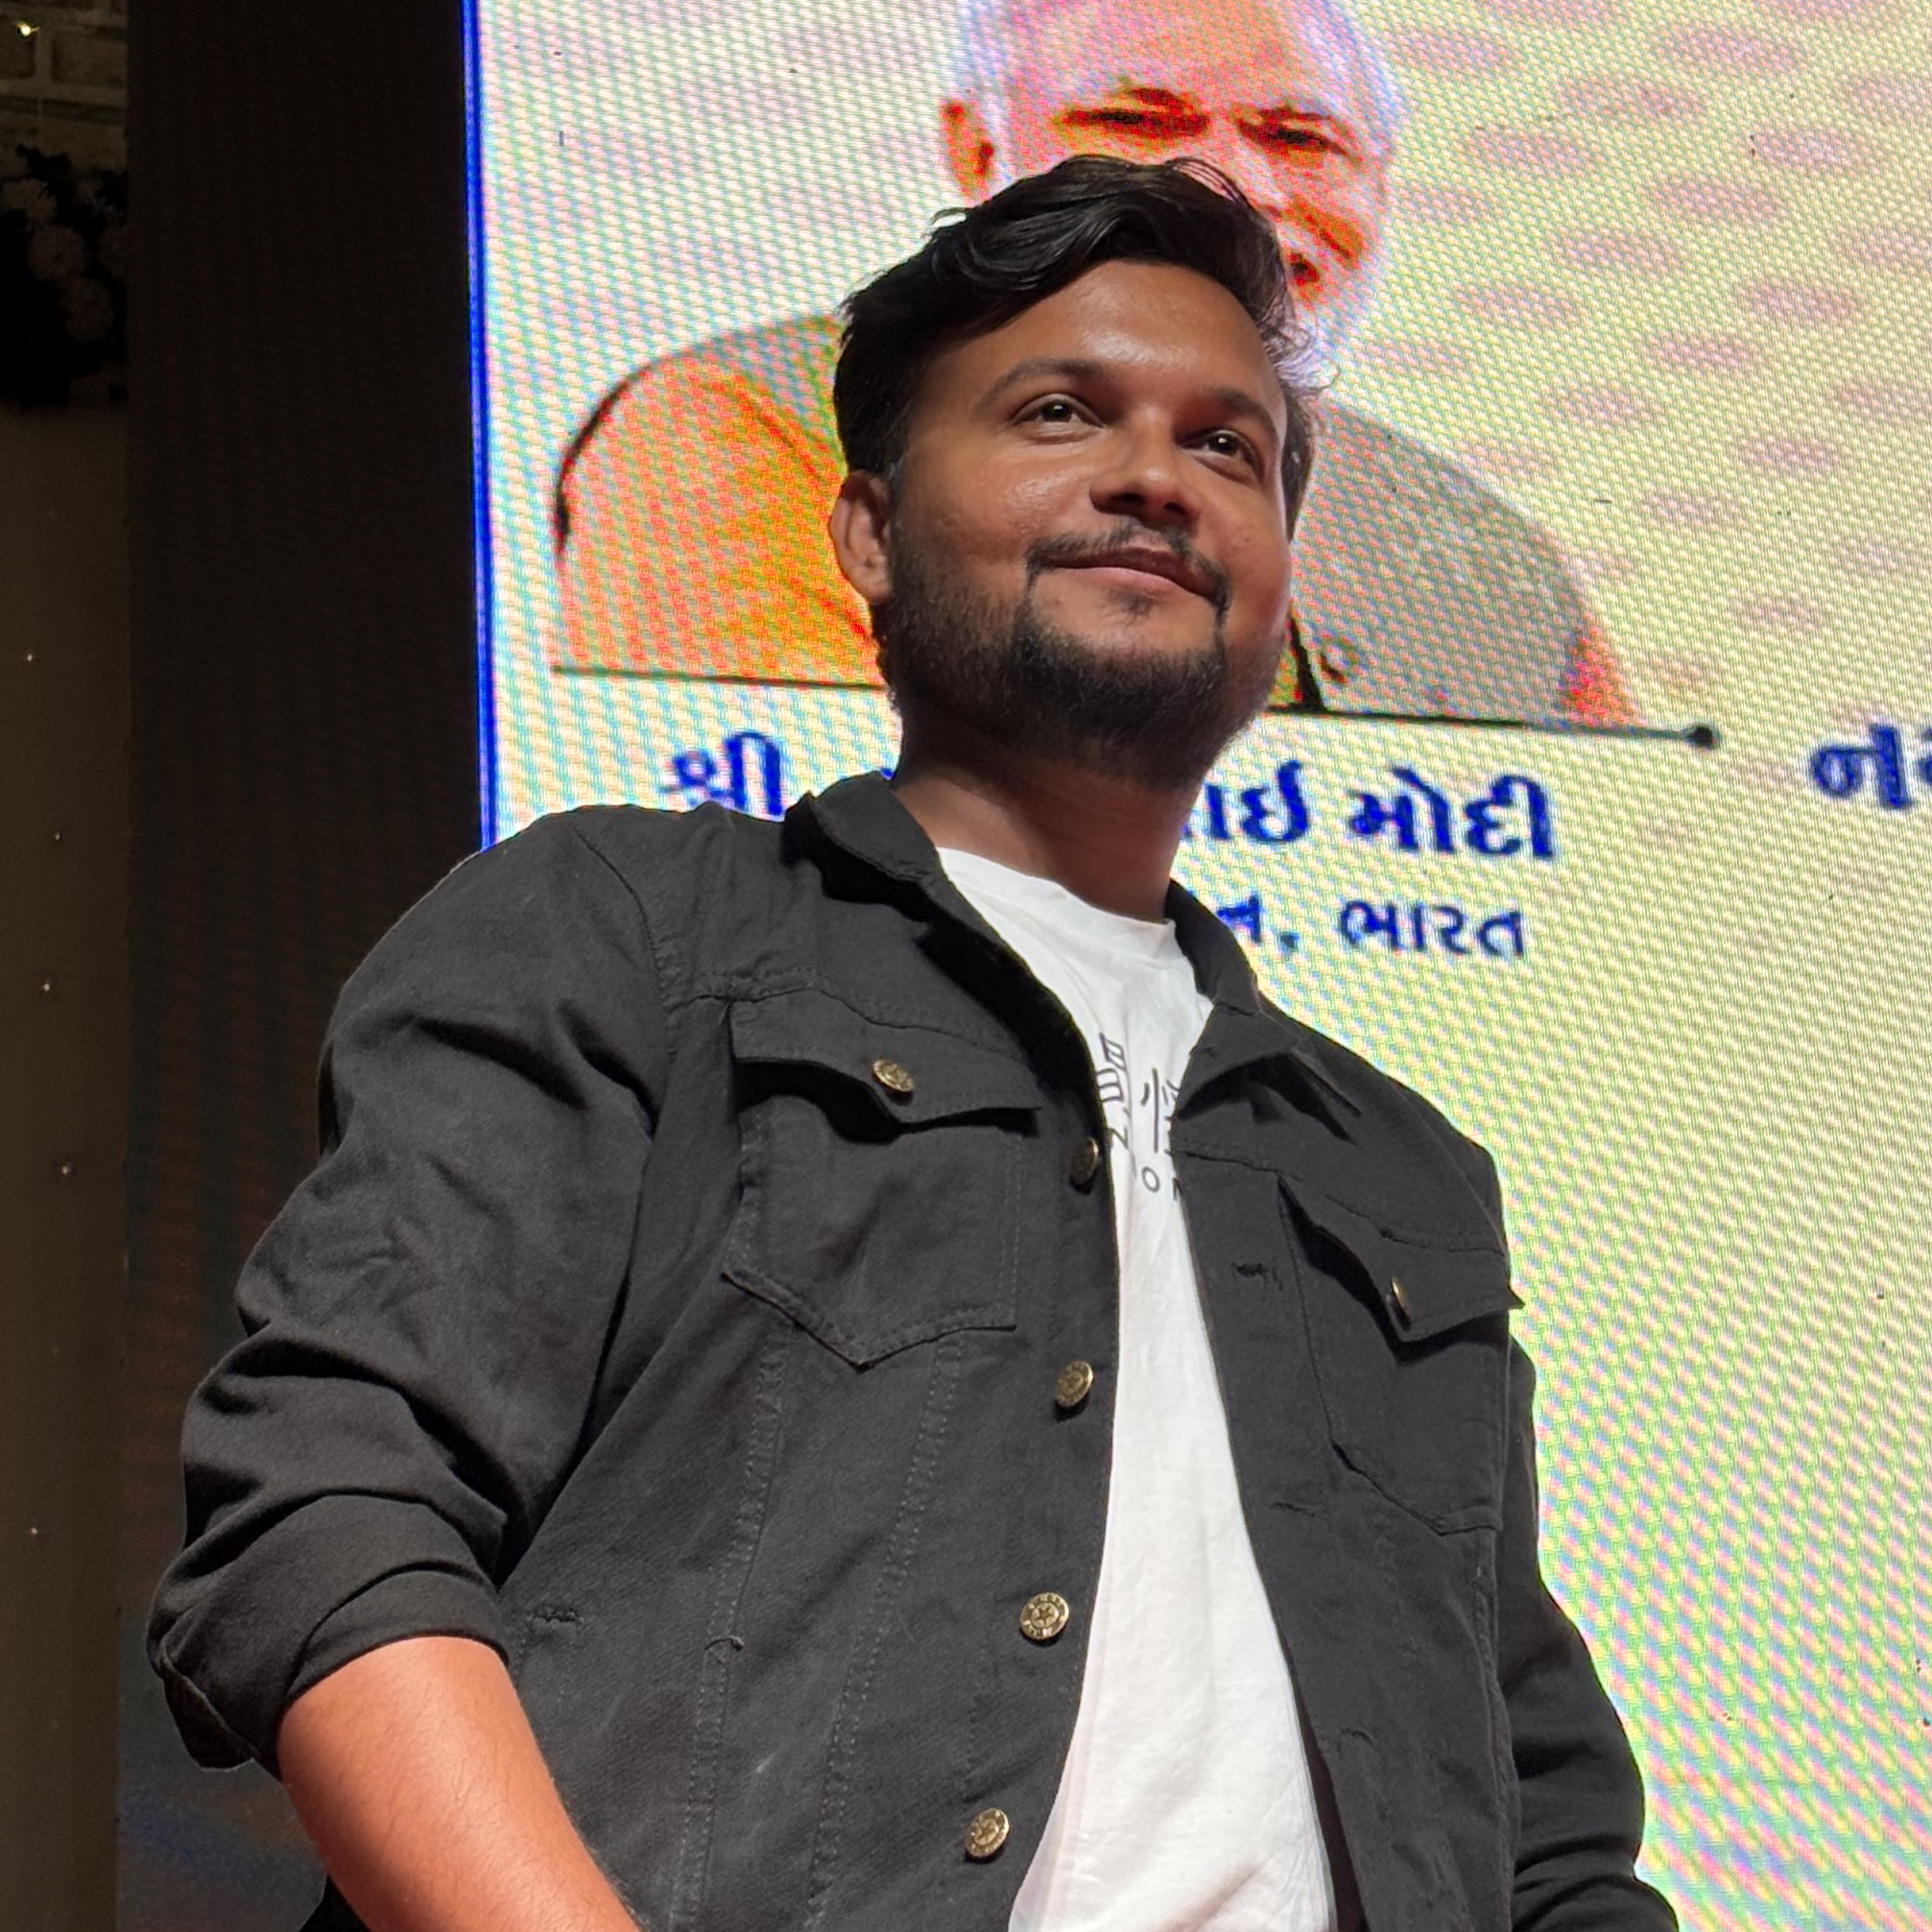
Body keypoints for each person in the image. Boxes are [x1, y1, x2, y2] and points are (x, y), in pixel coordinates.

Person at [152, 159, 1674, 1932]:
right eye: (1059, 411)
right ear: (865, 532)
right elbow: (330, 1511)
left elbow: (1540, 1821)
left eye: (1227, 444)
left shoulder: (1399, 1167)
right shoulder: (632, 931)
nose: (1155, 475)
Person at [554, 0, 1634, 727]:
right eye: (1135, 121)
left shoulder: (1484, 559)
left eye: (1301, 138)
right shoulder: (755, 426)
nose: (1231, 189)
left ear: (1381, 185)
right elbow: (788, 861)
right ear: (982, 153)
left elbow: (1615, 899)